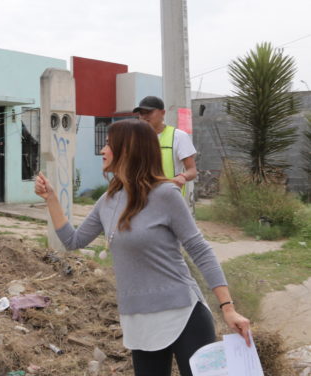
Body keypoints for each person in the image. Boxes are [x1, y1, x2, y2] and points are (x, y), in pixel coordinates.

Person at [34, 119, 250, 376]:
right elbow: (73, 241)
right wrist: (52, 199)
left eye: (108, 144)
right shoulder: (108, 200)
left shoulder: (165, 195)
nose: (102, 151)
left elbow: (200, 250)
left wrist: (228, 308)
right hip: (138, 320)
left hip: (183, 314)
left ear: (128, 149)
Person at [133, 96, 197, 194]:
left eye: (149, 112)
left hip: (170, 199)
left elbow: (192, 171)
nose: (144, 117)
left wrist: (182, 177)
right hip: (141, 200)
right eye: (141, 113)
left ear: (163, 113)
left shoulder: (178, 136)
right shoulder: (134, 138)